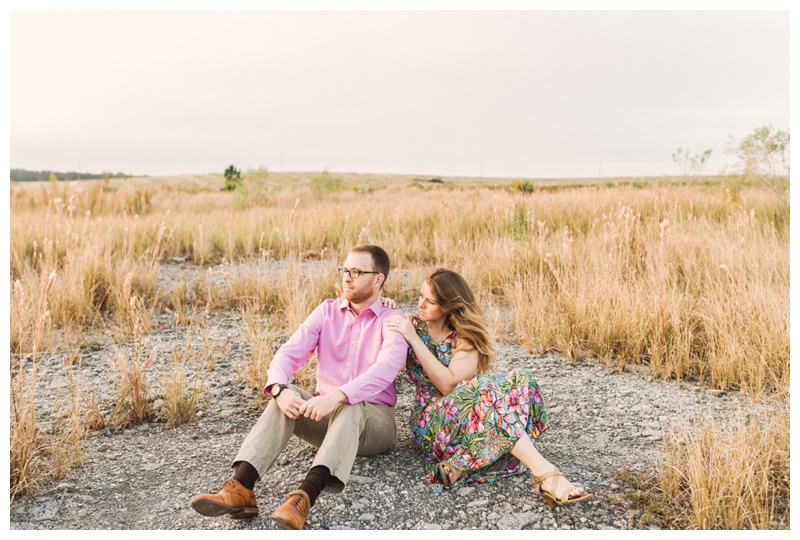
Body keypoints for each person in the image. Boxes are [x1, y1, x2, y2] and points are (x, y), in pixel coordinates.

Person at [191, 245, 409, 529]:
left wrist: (338, 395)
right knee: (286, 393)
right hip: (326, 418)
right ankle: (240, 489)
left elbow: (385, 371)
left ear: (378, 279)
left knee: (351, 405)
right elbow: (288, 353)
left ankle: (303, 497)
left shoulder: (392, 320)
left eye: (356, 272)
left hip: (374, 425)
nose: (347, 278)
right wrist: (280, 390)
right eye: (345, 270)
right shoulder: (327, 311)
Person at [384, 268, 592, 506]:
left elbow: (448, 385)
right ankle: (545, 472)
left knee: (521, 379)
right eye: (420, 296)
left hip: (468, 419)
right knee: (486, 390)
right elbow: (380, 326)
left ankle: (461, 465)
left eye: (430, 301)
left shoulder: (464, 338)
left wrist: (414, 340)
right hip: (431, 424)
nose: (421, 304)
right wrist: (385, 305)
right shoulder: (412, 325)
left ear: (448, 307)